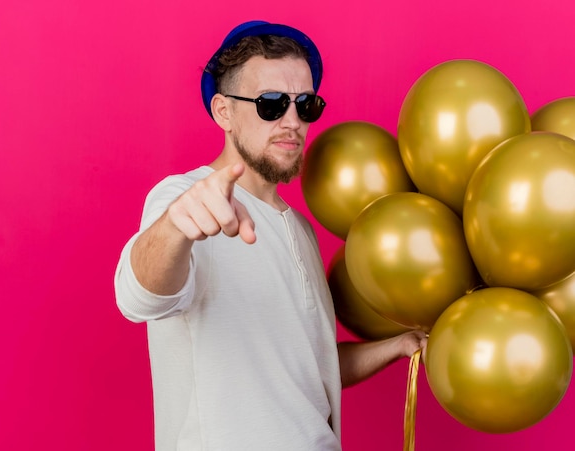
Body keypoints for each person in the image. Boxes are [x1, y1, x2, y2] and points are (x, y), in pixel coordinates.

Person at [114, 20, 426, 450]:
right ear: (224, 111)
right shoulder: (186, 199)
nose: (292, 121)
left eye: (306, 105)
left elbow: (313, 368)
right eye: (272, 104)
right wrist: (175, 227)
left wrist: (398, 345)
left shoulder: (299, 229)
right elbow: (139, 296)